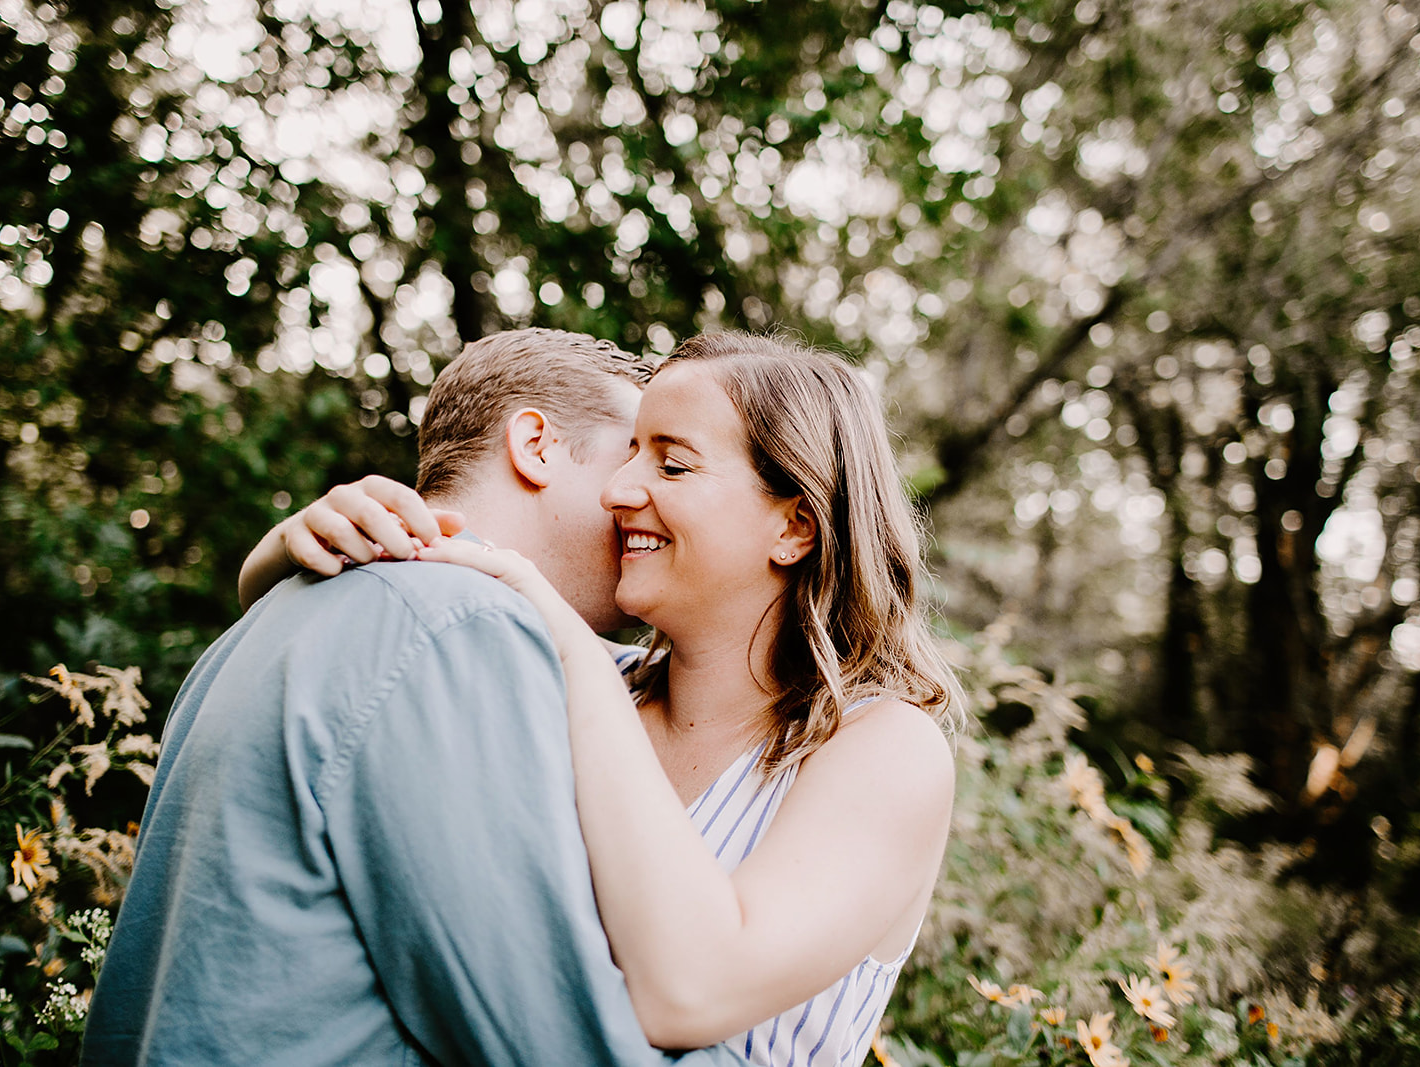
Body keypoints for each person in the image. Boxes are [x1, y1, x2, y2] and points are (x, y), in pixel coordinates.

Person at [247, 331, 964, 1067]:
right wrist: (293, 543)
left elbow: (692, 990)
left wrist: (561, 637)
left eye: (672, 463)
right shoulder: (572, 678)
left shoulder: (883, 750)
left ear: (794, 525)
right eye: (628, 454)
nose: (619, 491)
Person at [82, 329, 749, 1067]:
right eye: (630, 453)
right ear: (535, 445)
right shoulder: (466, 629)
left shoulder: (260, 624)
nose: (636, 495)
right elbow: (549, 1030)